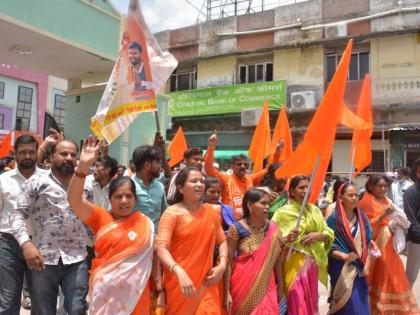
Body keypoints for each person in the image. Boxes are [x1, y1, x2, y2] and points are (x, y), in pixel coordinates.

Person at [67, 137, 163, 314]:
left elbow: (155, 254)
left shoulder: (144, 223)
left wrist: (160, 287)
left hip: (137, 296)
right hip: (104, 296)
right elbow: (74, 199)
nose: (124, 201)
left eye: (129, 196)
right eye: (118, 197)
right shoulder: (100, 217)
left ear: (135, 199)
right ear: (110, 199)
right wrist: (82, 167)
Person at [12, 139, 89, 315]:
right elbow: (17, 214)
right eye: (63, 154)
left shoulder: (86, 184)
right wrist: (26, 244)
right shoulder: (36, 182)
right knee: (43, 311)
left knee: (77, 309)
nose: (69, 158)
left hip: (77, 258)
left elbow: (93, 218)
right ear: (52, 156)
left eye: (72, 154)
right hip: (42, 259)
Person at [157, 167, 228, 314]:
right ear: (181, 187)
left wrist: (222, 265)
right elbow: (161, 248)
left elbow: (222, 241)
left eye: (202, 181)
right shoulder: (172, 213)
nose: (199, 184)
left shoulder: (211, 211)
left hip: (207, 283)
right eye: (194, 181)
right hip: (180, 284)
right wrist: (178, 271)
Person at [225, 188, 297, 314]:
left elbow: (277, 261)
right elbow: (228, 262)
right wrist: (226, 292)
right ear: (249, 205)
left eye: (268, 203)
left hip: (266, 287)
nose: (267, 207)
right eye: (263, 203)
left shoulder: (274, 229)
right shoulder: (236, 228)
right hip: (241, 285)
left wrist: (280, 285)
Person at [271, 175, 334, 314]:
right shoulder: (282, 212)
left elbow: (327, 230)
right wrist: (287, 238)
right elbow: (272, 237)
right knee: (295, 297)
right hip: (291, 262)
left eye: (308, 187)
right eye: (301, 187)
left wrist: (320, 235)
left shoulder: (315, 210)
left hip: (312, 263)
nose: (305, 190)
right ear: (292, 191)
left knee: (309, 300)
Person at [359, 174, 419, 313]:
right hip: (375, 247)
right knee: (382, 277)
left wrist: (396, 223)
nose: (383, 188)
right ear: (370, 186)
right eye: (379, 186)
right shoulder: (365, 202)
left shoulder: (387, 200)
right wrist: (383, 216)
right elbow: (364, 227)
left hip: (390, 246)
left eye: (385, 186)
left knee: (394, 277)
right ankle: (378, 308)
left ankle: (393, 309)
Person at [0, 134, 43, 314]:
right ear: (15, 155)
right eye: (22, 152)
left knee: (41, 301)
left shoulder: (48, 179)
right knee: (8, 301)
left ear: (37, 154)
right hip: (8, 244)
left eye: (31, 152)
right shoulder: (3, 180)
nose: (27, 156)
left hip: (40, 245)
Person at [204, 133, 283, 220]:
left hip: (248, 221)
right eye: (239, 164)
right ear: (232, 166)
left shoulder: (251, 179)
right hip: (230, 221)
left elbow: (269, 170)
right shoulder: (225, 178)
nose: (242, 166)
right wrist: (211, 147)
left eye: (245, 164)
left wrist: (277, 153)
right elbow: (209, 168)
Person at [326, 183, 374, 314]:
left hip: (359, 268)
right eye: (350, 195)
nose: (354, 198)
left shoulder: (362, 218)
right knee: (347, 306)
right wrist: (344, 256)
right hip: (341, 268)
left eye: (356, 195)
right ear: (340, 198)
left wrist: (367, 260)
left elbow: (367, 242)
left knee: (360, 303)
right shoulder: (333, 220)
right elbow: (327, 247)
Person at [132, 145, 167, 232]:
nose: (160, 166)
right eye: (158, 162)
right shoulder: (128, 186)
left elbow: (164, 214)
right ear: (147, 165)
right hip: (132, 242)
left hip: (155, 242)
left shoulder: (160, 186)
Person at [404, 158, 420, 287]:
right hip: (416, 241)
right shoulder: (411, 192)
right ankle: (403, 305)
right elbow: (411, 218)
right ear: (417, 173)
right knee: (410, 277)